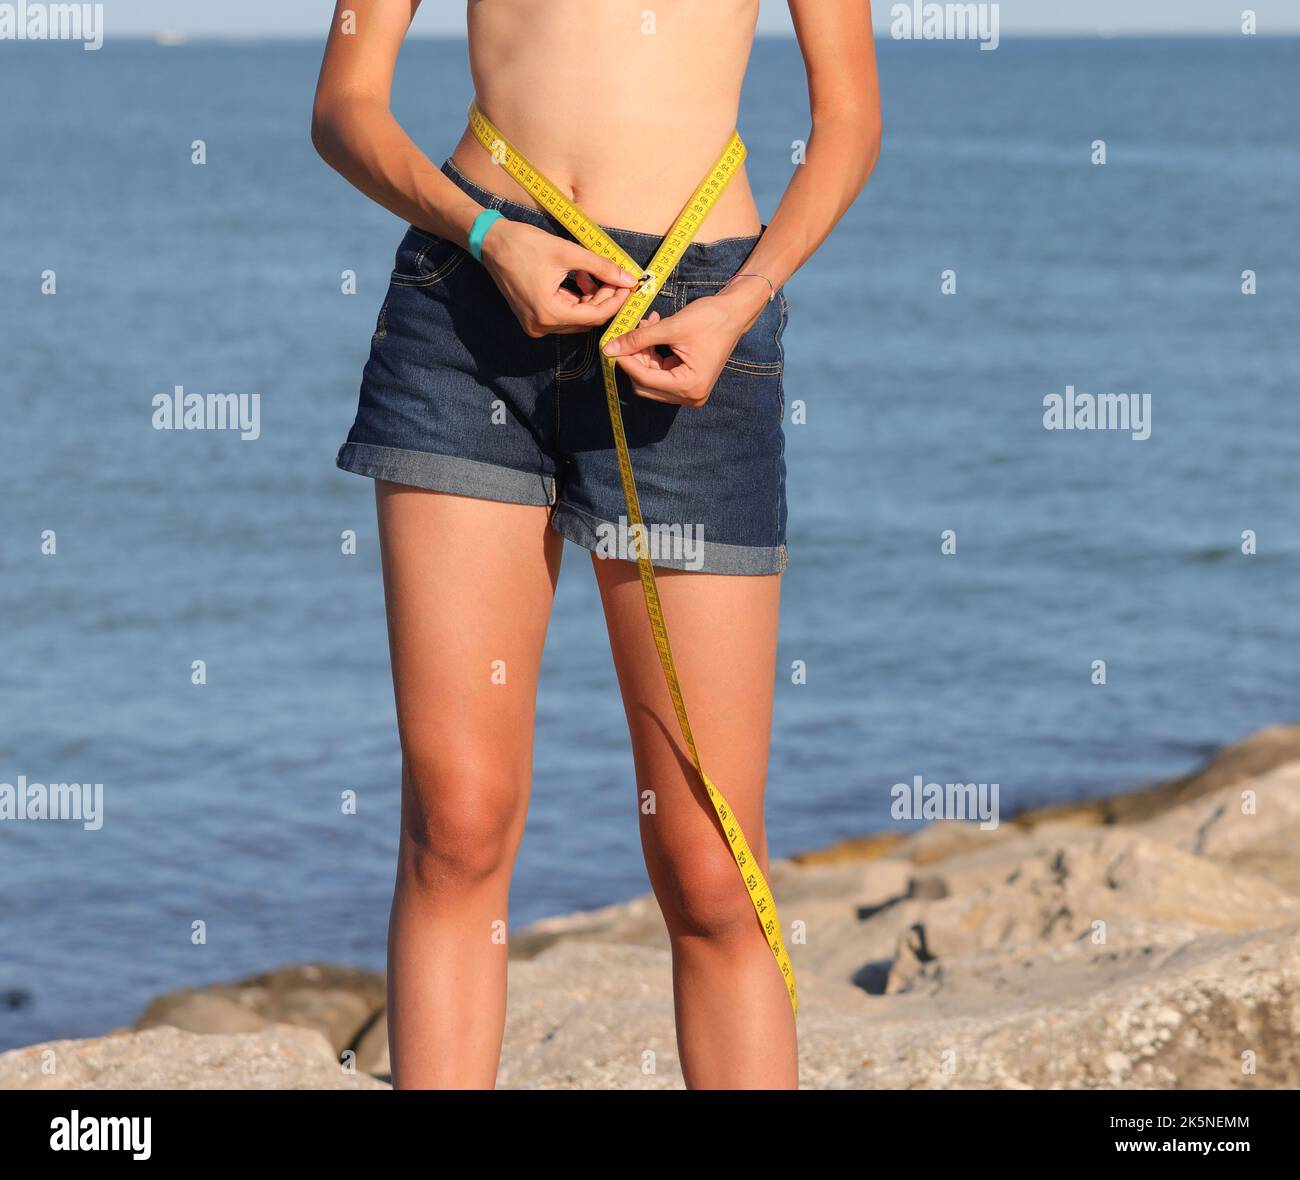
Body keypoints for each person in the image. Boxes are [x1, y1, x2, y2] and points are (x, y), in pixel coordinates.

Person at [311, 0, 881, 1090]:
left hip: (698, 310)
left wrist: (743, 301)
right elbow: (343, 107)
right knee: (458, 821)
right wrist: (489, 234)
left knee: (710, 867)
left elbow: (849, 118)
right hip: (466, 307)